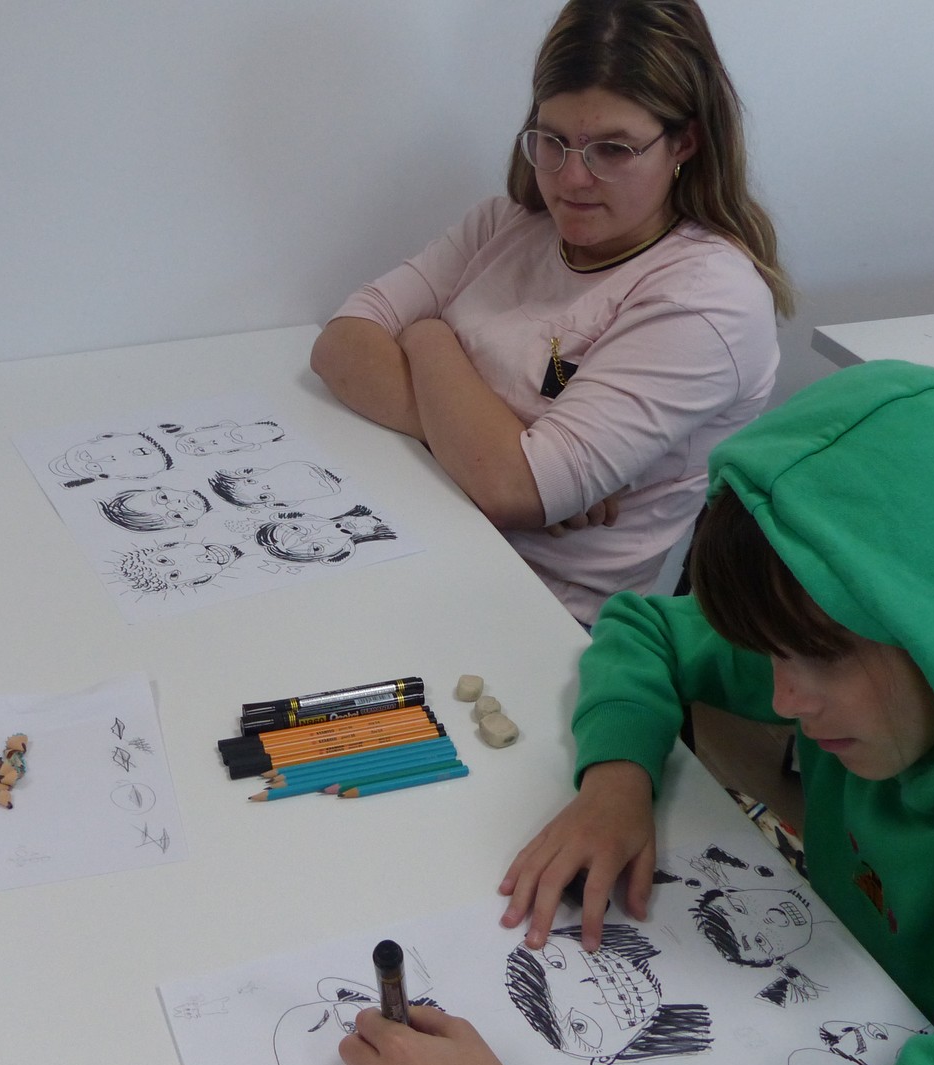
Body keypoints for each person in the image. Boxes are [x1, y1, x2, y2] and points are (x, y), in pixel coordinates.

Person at [338, 359, 934, 1065]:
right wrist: (616, 781)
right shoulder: (856, 641)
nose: (783, 702)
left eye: (818, 658)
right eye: (770, 654)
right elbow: (645, 629)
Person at [310, 0, 789, 626]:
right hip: (419, 529)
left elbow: (512, 491)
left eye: (612, 149)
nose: (572, 178)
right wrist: (496, 451)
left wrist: (426, 338)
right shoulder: (505, 223)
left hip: (540, 613)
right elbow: (341, 344)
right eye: (553, 141)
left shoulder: (706, 300)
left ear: (686, 142)